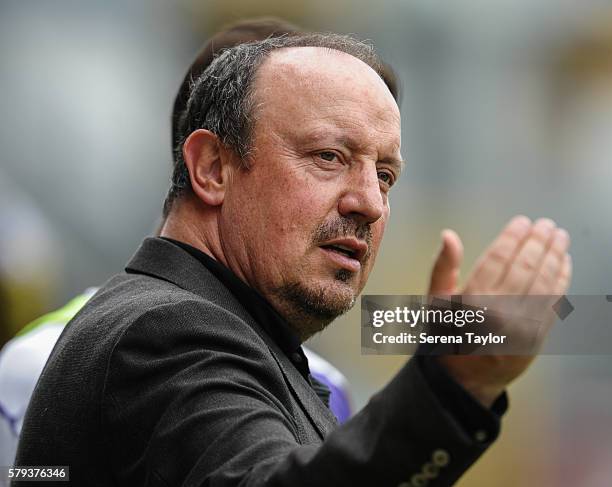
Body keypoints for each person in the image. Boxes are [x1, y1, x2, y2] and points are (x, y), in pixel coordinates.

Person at [16, 31, 571, 487]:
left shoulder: (230, 334)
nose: (370, 205)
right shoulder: (167, 333)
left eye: (385, 176)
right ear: (211, 167)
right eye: (328, 157)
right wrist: (453, 385)